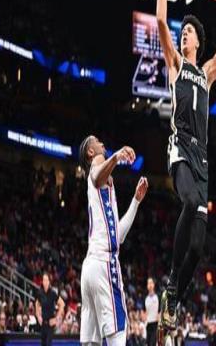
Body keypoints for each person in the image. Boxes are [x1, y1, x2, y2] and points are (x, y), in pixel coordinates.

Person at [157, 0, 216, 330]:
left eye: (189, 31)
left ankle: (173, 298)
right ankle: (172, 284)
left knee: (196, 246)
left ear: (198, 41)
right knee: (189, 201)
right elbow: (161, 22)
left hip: (203, 159)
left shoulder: (206, 73)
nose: (184, 34)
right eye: (184, 31)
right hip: (180, 150)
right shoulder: (175, 64)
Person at [78, 135, 149, 346]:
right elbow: (97, 175)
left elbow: (118, 236)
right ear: (91, 152)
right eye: (97, 141)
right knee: (117, 333)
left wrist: (136, 201)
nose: (102, 143)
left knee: (90, 342)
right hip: (104, 264)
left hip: (90, 268)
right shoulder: (96, 170)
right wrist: (117, 156)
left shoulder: (104, 188)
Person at [35, 273, 64, 346]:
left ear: (49, 282)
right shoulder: (40, 293)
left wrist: (56, 318)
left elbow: (62, 304)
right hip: (43, 323)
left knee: (48, 343)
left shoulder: (52, 293)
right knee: (43, 344)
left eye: (46, 280)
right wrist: (38, 316)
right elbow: (37, 304)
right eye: (44, 280)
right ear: (42, 281)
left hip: (51, 323)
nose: (45, 282)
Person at [144, 278, 158, 346]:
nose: (150, 285)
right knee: (148, 344)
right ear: (147, 286)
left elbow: (160, 310)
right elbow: (144, 312)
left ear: (154, 285)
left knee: (153, 343)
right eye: (148, 283)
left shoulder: (158, 296)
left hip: (156, 324)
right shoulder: (145, 298)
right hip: (148, 324)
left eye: (151, 283)